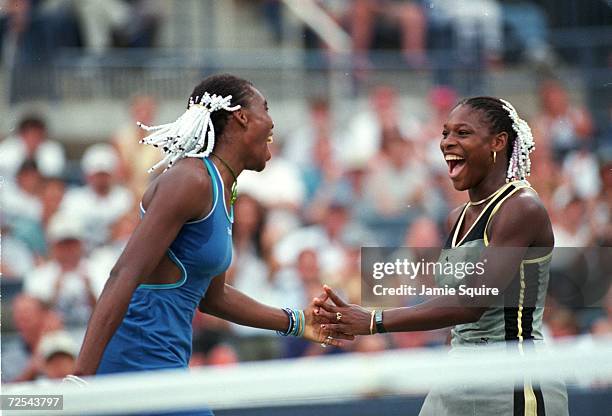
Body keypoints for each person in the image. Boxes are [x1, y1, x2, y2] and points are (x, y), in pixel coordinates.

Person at [68, 74, 350, 413]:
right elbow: (122, 274)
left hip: (165, 362)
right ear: (241, 117)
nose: (273, 123)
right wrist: (81, 378)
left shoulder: (222, 190)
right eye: (266, 108)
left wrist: (299, 322)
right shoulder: (190, 180)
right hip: (135, 358)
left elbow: (215, 298)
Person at [315, 96, 568, 415]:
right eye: (445, 133)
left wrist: (373, 320)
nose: (448, 142)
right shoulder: (455, 218)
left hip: (514, 378)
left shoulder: (522, 207)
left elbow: (471, 302)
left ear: (498, 142)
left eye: (462, 133)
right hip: (459, 374)